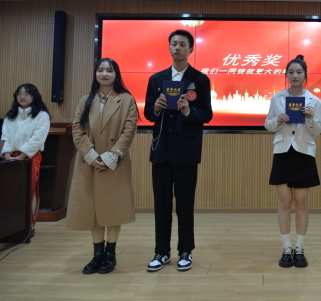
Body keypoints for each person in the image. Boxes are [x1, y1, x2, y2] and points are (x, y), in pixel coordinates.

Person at [144, 29, 213, 272]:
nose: (177, 47)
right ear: (169, 47)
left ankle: (185, 251)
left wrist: (188, 111)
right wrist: (157, 107)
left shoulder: (200, 79)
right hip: (161, 150)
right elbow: (148, 113)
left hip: (186, 151)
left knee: (185, 204)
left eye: (182, 44)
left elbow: (207, 114)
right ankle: (161, 252)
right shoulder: (156, 79)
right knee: (161, 204)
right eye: (174, 43)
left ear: (191, 49)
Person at [66, 58, 138, 274]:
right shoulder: (85, 100)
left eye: (109, 70)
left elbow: (129, 131)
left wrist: (110, 156)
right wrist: (91, 155)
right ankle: (97, 254)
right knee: (93, 210)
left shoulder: (127, 100)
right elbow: (77, 131)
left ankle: (111, 255)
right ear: (95, 74)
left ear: (116, 74)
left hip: (115, 163)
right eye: (100, 70)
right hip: (88, 162)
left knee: (113, 209)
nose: (104, 74)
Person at [265, 55, 321, 268]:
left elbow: (317, 130)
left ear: (305, 75)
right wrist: (278, 120)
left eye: (299, 72)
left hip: (303, 153)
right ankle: (286, 248)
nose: (295, 75)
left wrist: (310, 118)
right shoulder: (277, 98)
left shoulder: (314, 101)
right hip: (283, 152)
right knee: (284, 203)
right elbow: (268, 125)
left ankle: (299, 248)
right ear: (286, 75)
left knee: (301, 203)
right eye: (291, 72)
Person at [1, 83, 51, 228]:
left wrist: (21, 156)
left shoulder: (41, 115)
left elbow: (37, 139)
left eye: (26, 94)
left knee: (30, 188)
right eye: (19, 94)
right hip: (10, 157)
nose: (22, 97)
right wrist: (7, 155)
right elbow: (5, 136)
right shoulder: (11, 115)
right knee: (12, 190)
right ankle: (13, 225)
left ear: (34, 96)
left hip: (30, 156)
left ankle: (29, 225)